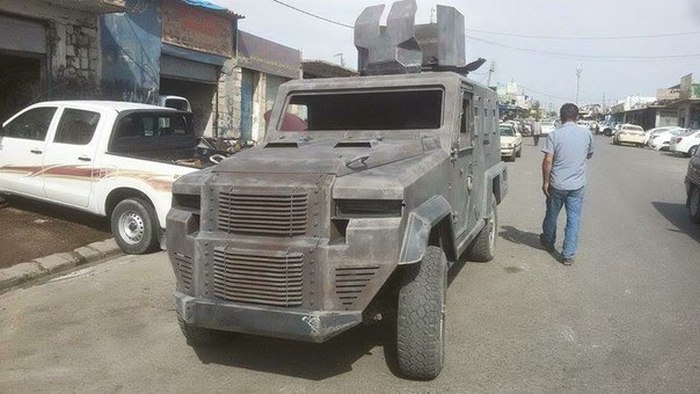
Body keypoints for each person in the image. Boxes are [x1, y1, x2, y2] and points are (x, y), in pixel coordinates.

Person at [540, 103, 593, 266]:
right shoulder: (587, 134)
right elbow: (589, 155)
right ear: (577, 117)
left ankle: (548, 242)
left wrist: (545, 181)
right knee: (574, 219)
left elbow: (548, 161)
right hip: (577, 186)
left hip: (557, 185)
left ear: (561, 117)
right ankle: (568, 254)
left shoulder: (554, 135)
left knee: (552, 215)